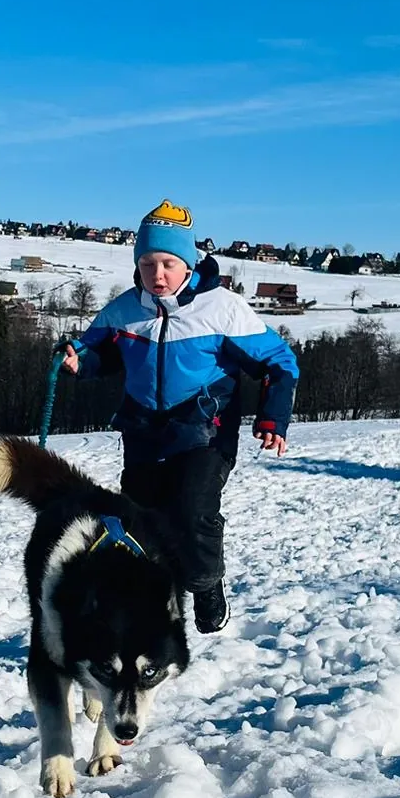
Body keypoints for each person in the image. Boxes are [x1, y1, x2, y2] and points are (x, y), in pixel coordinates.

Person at [61, 199, 299, 633]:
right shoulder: (124, 310)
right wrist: (80, 361)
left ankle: (206, 585)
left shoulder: (222, 309)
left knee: (192, 509)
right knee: (140, 519)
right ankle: (153, 605)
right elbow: (97, 350)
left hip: (206, 428)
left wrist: (272, 420)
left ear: (188, 262)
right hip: (143, 430)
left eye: (168, 263)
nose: (158, 275)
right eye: (148, 263)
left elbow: (280, 362)